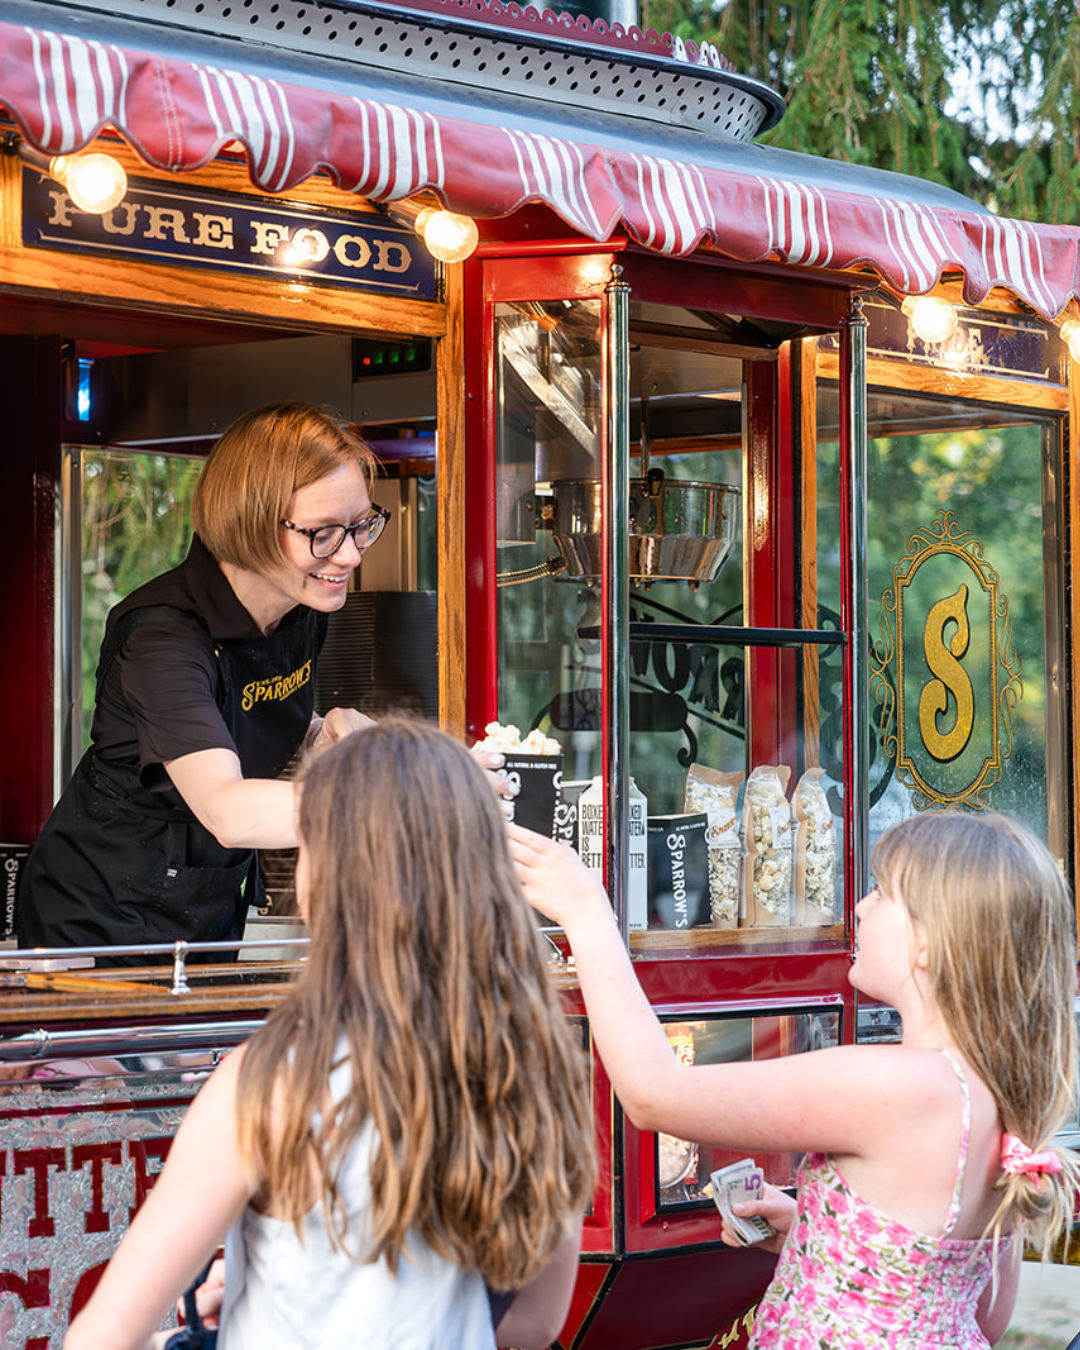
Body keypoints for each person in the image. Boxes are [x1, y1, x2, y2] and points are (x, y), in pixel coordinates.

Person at [65, 719, 594, 1350]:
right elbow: (533, 1326)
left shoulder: (268, 1083)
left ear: (321, 883)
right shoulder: (537, 1071)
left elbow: (100, 1339)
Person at [509, 810, 1080, 1348]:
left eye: (883, 893)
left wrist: (585, 912)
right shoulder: (989, 1093)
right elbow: (983, 1314)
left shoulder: (893, 1084)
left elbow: (654, 1095)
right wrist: (813, 1234)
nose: (859, 906)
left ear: (929, 944)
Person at [16, 402, 505, 958]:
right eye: (323, 533)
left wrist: (321, 732)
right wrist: (413, 786)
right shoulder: (163, 639)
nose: (349, 555)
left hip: (204, 909)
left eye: (361, 525)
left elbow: (237, 717)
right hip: (96, 920)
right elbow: (230, 809)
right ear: (248, 523)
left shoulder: (302, 609)